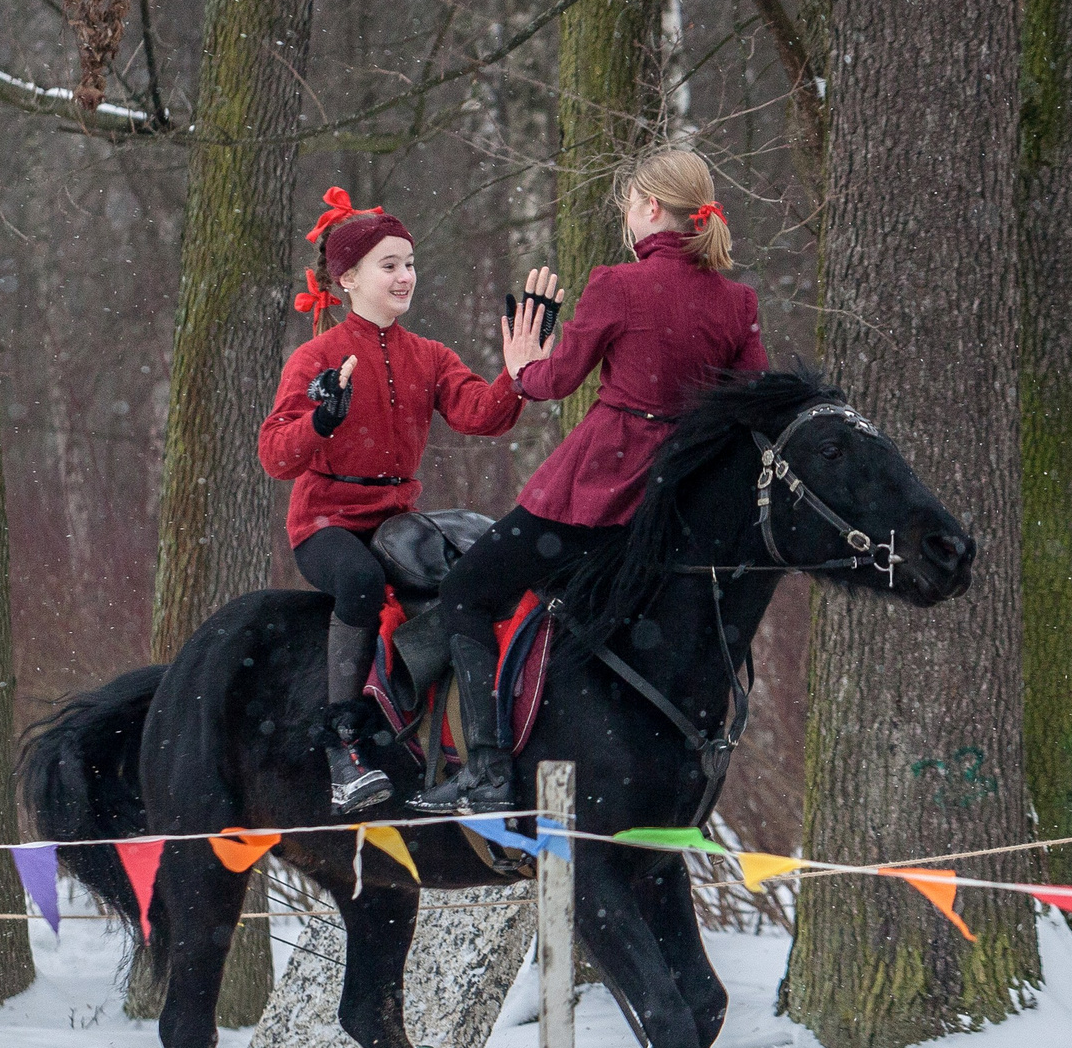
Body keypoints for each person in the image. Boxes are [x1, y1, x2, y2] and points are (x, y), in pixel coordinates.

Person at [412, 148, 766, 813]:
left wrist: (521, 364)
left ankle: (487, 768)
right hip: (673, 515)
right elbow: (753, 400)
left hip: (592, 496)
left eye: (631, 207)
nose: (629, 222)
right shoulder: (736, 301)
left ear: (653, 209)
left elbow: (555, 381)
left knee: (466, 589)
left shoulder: (617, 285)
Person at [258, 188, 556, 813]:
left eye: (409, 264)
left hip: (397, 520)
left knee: (480, 572)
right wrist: (322, 420)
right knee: (361, 582)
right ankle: (344, 748)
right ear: (348, 279)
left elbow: (483, 417)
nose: (404, 277)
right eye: (388, 265)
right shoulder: (315, 357)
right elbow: (275, 456)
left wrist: (518, 373)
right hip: (326, 524)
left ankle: (471, 754)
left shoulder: (430, 355)